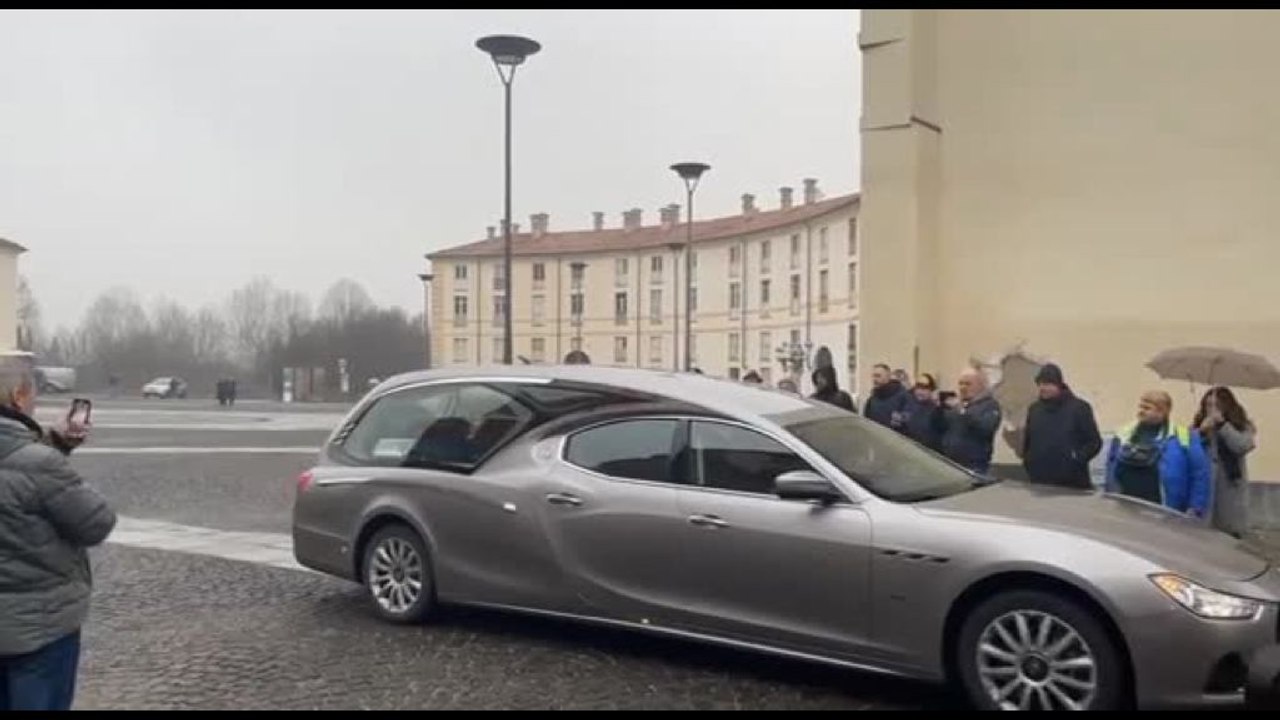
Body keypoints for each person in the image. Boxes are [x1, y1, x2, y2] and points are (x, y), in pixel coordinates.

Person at [0, 357, 116, 710]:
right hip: (37, 629)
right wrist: (52, 456)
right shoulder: (39, 463)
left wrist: (54, 443)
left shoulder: (37, 460)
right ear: (19, 396)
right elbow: (96, 522)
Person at [1105, 390, 1210, 518]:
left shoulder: (1185, 437)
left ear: (1162, 411)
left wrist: (1195, 508)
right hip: (1125, 506)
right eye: (1140, 407)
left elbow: (1199, 474)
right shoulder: (1124, 433)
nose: (1141, 411)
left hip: (1165, 509)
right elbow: (1110, 468)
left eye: (1147, 408)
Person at [1020, 363, 1104, 488]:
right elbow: (1028, 440)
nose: (1042, 388)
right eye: (1040, 384)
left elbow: (1094, 442)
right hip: (1039, 481)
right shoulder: (1034, 409)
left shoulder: (1079, 408)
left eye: (1047, 384)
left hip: (1072, 483)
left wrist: (1076, 458)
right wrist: (1028, 461)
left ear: (1058, 385)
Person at [1193, 386, 1256, 537]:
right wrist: (1201, 433)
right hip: (1204, 487)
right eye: (1208, 405)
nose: (1211, 410)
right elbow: (1189, 449)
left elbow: (1241, 446)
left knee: (1228, 534)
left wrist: (1222, 425)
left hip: (1229, 489)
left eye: (1216, 405)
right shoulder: (1198, 426)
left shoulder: (1242, 426)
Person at [941, 368, 1002, 474]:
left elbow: (986, 428)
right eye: (961, 383)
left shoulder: (990, 406)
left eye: (968, 384)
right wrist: (937, 408)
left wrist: (963, 412)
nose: (963, 387)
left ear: (980, 386)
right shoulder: (956, 406)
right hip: (951, 462)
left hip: (975, 465)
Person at [901, 373, 946, 452]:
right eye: (918, 386)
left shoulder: (937, 411)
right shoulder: (907, 405)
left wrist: (937, 404)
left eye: (925, 388)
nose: (920, 391)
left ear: (931, 390)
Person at [864, 363, 910, 429]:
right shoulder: (872, 399)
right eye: (873, 376)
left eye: (878, 376)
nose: (874, 379)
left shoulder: (903, 397)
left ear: (888, 377)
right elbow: (867, 422)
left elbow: (908, 421)